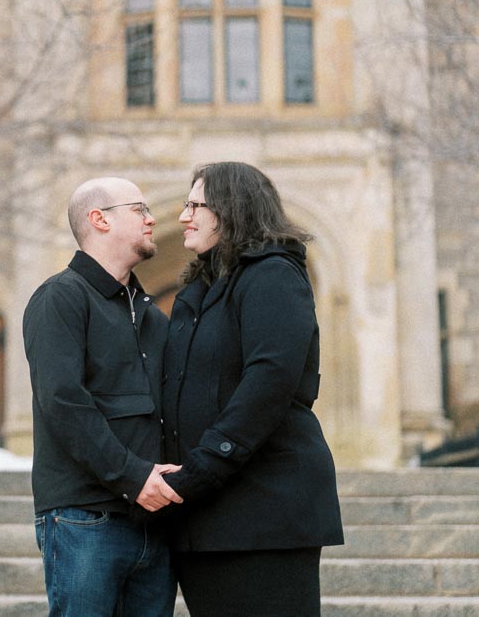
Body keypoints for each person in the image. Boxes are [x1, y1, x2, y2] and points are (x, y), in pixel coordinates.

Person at [160, 162, 344, 617]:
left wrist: (203, 466)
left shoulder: (273, 275)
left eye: (195, 206)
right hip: (204, 517)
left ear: (231, 209)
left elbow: (269, 383)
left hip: (266, 511)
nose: (184, 216)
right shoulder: (198, 293)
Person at [23, 176, 182, 617]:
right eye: (139, 210)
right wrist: (133, 477)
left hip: (153, 520)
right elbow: (63, 401)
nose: (152, 219)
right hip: (84, 518)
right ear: (99, 220)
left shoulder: (150, 315)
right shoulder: (60, 297)